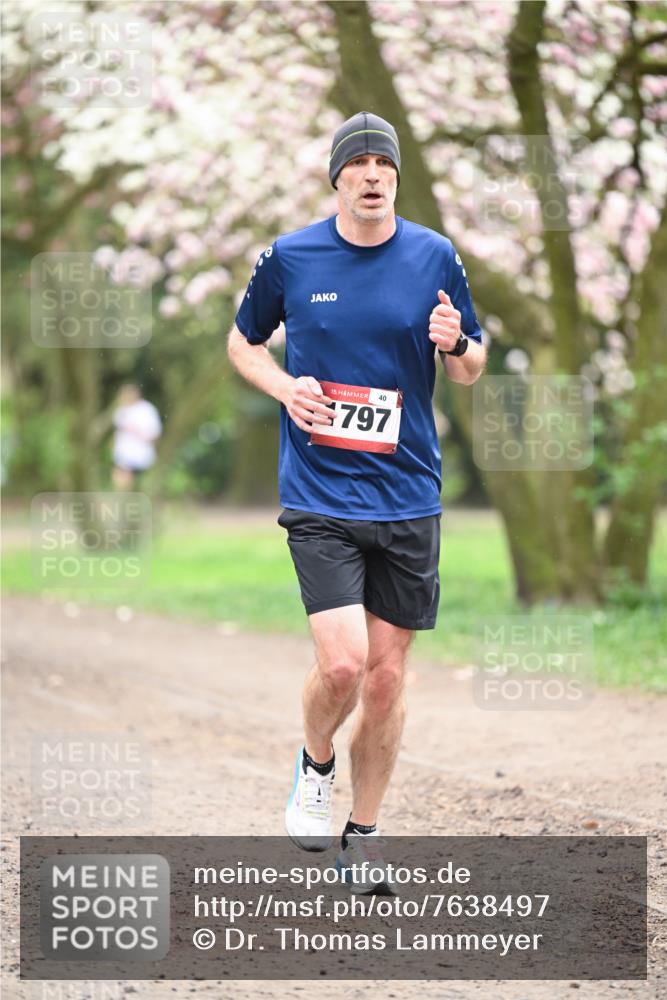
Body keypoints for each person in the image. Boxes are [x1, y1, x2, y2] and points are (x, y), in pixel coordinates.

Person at [227, 111, 486, 892]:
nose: (373, 174)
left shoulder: (433, 255)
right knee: (341, 664)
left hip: (407, 493)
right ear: (336, 175)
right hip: (319, 491)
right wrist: (284, 387)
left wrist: (457, 343)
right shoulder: (293, 256)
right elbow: (242, 341)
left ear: (396, 178)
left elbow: (472, 365)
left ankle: (362, 837)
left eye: (385, 163)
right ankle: (314, 765)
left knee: (385, 678)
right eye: (359, 162)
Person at [111, 383, 162, 491]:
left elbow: (154, 433)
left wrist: (136, 432)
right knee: (120, 480)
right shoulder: (121, 410)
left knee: (131, 483)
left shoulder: (146, 410)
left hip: (139, 455)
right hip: (123, 455)